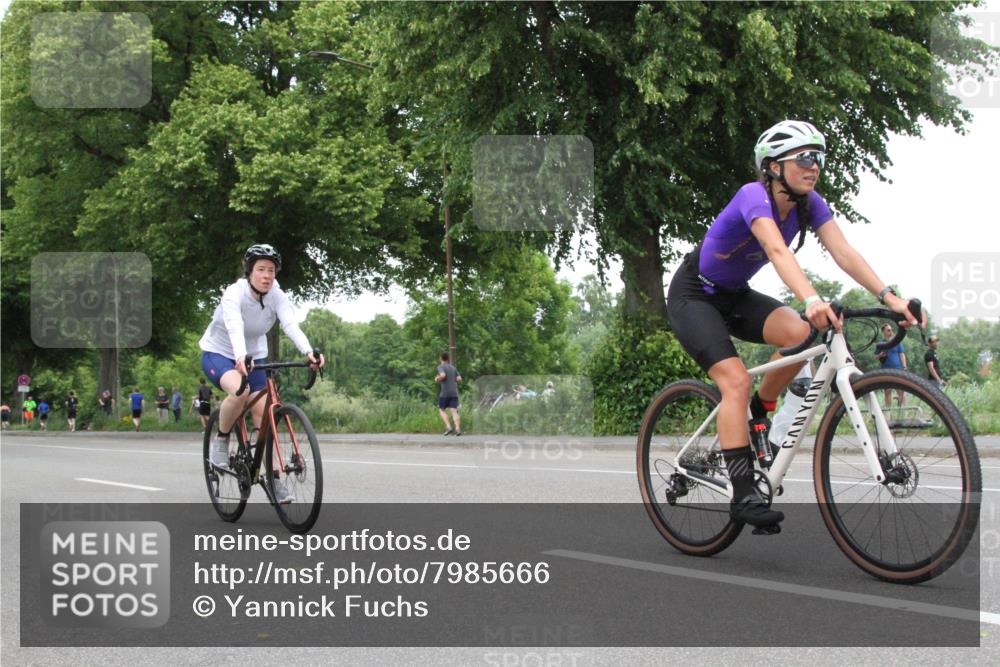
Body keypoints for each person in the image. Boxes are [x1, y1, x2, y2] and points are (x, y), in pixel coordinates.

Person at [666, 119, 921, 531]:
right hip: (694, 294)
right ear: (773, 166)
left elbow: (844, 253)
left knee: (801, 333)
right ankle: (743, 495)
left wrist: (891, 297)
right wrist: (811, 299)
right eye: (803, 158)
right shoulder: (753, 195)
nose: (814, 166)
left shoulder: (810, 203)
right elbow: (776, 249)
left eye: (818, 158)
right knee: (735, 381)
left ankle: (760, 408)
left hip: (735, 295)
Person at [199, 244, 324, 504]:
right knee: (240, 391)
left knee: (265, 416)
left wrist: (309, 352)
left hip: (254, 356)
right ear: (249, 271)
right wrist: (240, 357)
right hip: (220, 352)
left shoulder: (277, 294)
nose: (267, 276)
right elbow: (234, 326)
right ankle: (221, 438)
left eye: (271, 270)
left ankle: (274, 480)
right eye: (261, 269)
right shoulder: (234, 293)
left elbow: (290, 323)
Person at [875, 323, 908, 406]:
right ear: (883, 332)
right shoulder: (881, 344)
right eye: (888, 330)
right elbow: (875, 357)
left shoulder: (896, 342)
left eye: (891, 330)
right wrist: (880, 355)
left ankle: (903, 409)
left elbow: (902, 354)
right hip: (885, 370)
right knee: (887, 391)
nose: (891, 332)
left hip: (898, 369)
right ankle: (888, 410)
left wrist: (904, 366)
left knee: (901, 390)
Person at [435, 352, 462, 436]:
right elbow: (459, 379)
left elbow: (443, 375)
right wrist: (452, 380)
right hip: (454, 392)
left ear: (440, 358)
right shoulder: (453, 367)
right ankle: (457, 429)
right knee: (454, 411)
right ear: (447, 359)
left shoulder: (440, 366)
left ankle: (449, 427)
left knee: (441, 409)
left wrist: (437, 379)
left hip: (445, 392)